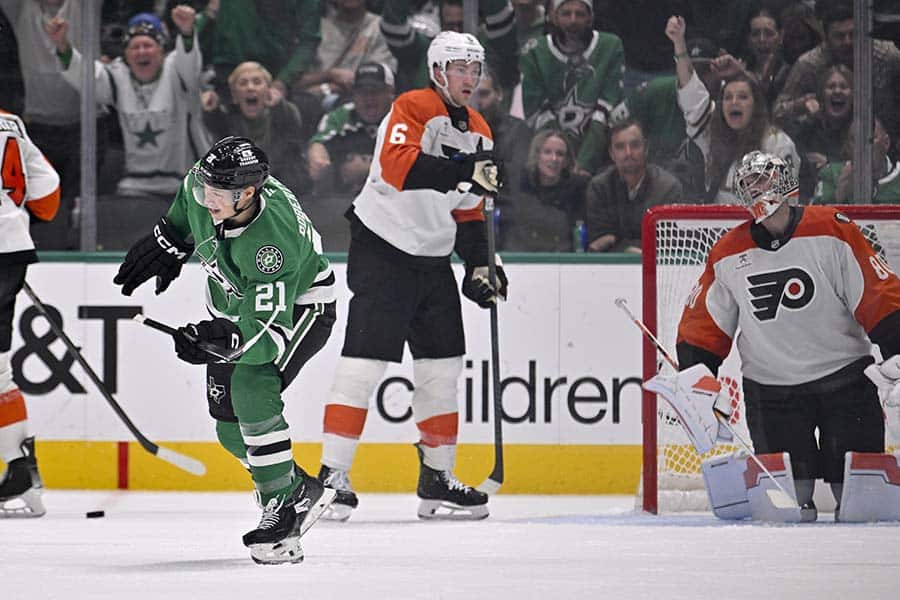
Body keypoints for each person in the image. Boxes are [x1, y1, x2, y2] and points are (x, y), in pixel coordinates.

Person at [111, 136, 337, 564]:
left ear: (248, 193)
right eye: (205, 189)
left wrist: (221, 341)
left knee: (252, 383)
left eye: (216, 195)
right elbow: (187, 200)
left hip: (300, 309)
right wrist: (169, 240)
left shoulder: (272, 242)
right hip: (234, 309)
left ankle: (283, 508)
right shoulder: (206, 182)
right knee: (230, 430)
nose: (205, 198)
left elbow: (266, 338)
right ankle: (297, 488)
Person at [317, 31, 506, 521]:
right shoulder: (412, 105)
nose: (470, 77)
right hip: (383, 246)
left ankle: (436, 478)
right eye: (460, 68)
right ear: (439, 71)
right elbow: (397, 166)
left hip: (432, 255)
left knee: (443, 368)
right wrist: (466, 170)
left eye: (475, 68)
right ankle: (331, 478)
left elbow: (468, 211)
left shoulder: (480, 128)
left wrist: (482, 263)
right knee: (363, 364)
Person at [674, 150, 900, 520]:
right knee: (786, 505)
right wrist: (697, 374)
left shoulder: (832, 228)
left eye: (763, 180)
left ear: (786, 183)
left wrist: (897, 348)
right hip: (771, 390)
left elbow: (877, 292)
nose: (756, 189)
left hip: (845, 381)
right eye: (748, 184)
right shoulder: (727, 252)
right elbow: (704, 322)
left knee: (862, 502)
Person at [46, 6, 211, 249]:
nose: (142, 52)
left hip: (183, 185)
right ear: (126, 53)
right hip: (135, 187)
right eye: (135, 47)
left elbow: (190, 60)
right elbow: (89, 78)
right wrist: (62, 46)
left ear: (161, 49)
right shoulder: (118, 76)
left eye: (148, 45)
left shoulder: (177, 70)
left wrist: (187, 32)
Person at [666, 15, 800, 204]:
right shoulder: (712, 133)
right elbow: (691, 94)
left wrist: (741, 72)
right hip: (720, 230)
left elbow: (787, 207)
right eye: (728, 97)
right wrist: (679, 44)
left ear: (756, 106)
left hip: (764, 229)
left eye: (743, 97)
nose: (734, 102)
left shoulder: (778, 144)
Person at [0, 110, 61, 517]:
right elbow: (48, 191)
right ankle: (21, 469)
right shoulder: (9, 121)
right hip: (11, 247)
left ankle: (22, 468)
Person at [518, 0, 624, 173]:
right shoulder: (534, 52)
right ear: (553, 16)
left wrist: (583, 163)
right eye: (566, 13)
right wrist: (562, 161)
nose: (573, 20)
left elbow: (605, 111)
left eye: (580, 14)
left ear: (590, 17)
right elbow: (538, 114)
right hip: (551, 162)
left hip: (599, 160)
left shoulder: (610, 46)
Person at [773, 1, 900, 144]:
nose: (848, 42)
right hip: (826, 144)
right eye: (839, 36)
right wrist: (800, 105)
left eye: (853, 35)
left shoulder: (887, 55)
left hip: (885, 144)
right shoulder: (809, 64)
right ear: (826, 38)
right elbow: (778, 113)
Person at [201, 61, 310, 193]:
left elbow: (288, 123)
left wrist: (278, 104)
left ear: (268, 91)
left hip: (284, 191)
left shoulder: (285, 113)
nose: (250, 88)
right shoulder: (229, 119)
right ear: (235, 96)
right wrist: (211, 110)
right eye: (243, 83)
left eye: (257, 82)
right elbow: (216, 123)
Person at [585, 118, 683, 253]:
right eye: (620, 147)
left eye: (635, 145)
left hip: (657, 269)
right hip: (609, 269)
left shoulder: (668, 188)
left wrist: (617, 244)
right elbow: (597, 241)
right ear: (611, 154)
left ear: (646, 148)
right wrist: (631, 248)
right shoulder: (599, 188)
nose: (628, 153)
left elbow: (669, 244)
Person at [498, 130, 588, 252]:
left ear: (566, 161)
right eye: (547, 152)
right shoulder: (520, 185)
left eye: (560, 154)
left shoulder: (578, 190)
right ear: (537, 155)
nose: (554, 159)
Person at [815, 117, 900, 204]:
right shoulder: (831, 174)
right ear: (847, 147)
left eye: (871, 139)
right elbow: (813, 214)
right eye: (855, 139)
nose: (863, 146)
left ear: (886, 143)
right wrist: (839, 195)